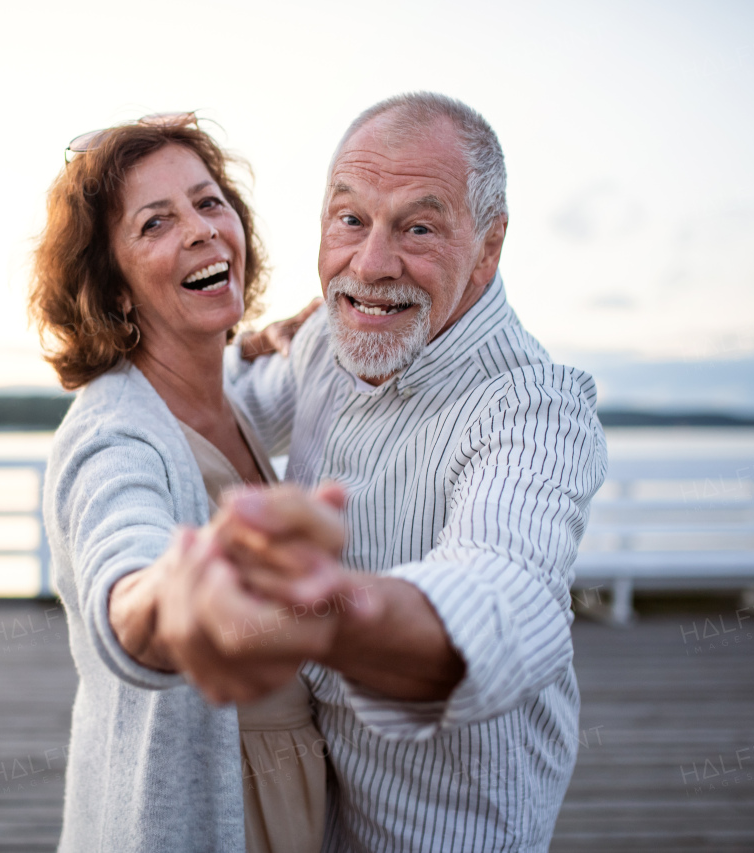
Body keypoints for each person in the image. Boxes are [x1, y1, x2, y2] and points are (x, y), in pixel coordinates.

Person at [122, 92, 610, 852]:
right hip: (320, 820)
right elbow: (227, 409)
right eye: (351, 220)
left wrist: (313, 608)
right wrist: (218, 340)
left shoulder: (534, 409)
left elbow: (504, 592)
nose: (373, 264)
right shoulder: (326, 333)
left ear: (488, 245)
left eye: (418, 227)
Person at [30, 114, 336, 853]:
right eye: (155, 222)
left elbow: (299, 366)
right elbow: (123, 567)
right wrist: (169, 596)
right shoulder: (113, 434)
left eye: (208, 202)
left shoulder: (227, 396)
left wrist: (348, 291)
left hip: (291, 791)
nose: (200, 230)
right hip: (207, 810)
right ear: (117, 289)